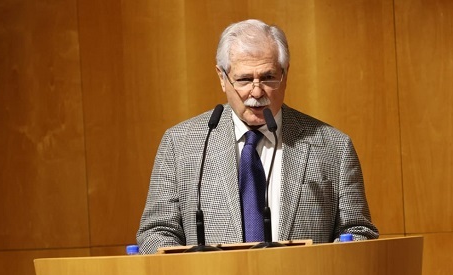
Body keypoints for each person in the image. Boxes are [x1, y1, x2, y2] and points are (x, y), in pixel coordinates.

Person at [136, 19, 378, 253]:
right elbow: (157, 232)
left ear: (285, 74)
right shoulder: (180, 144)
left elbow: (357, 230)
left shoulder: (333, 146)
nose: (256, 91)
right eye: (243, 79)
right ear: (222, 78)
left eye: (268, 77)